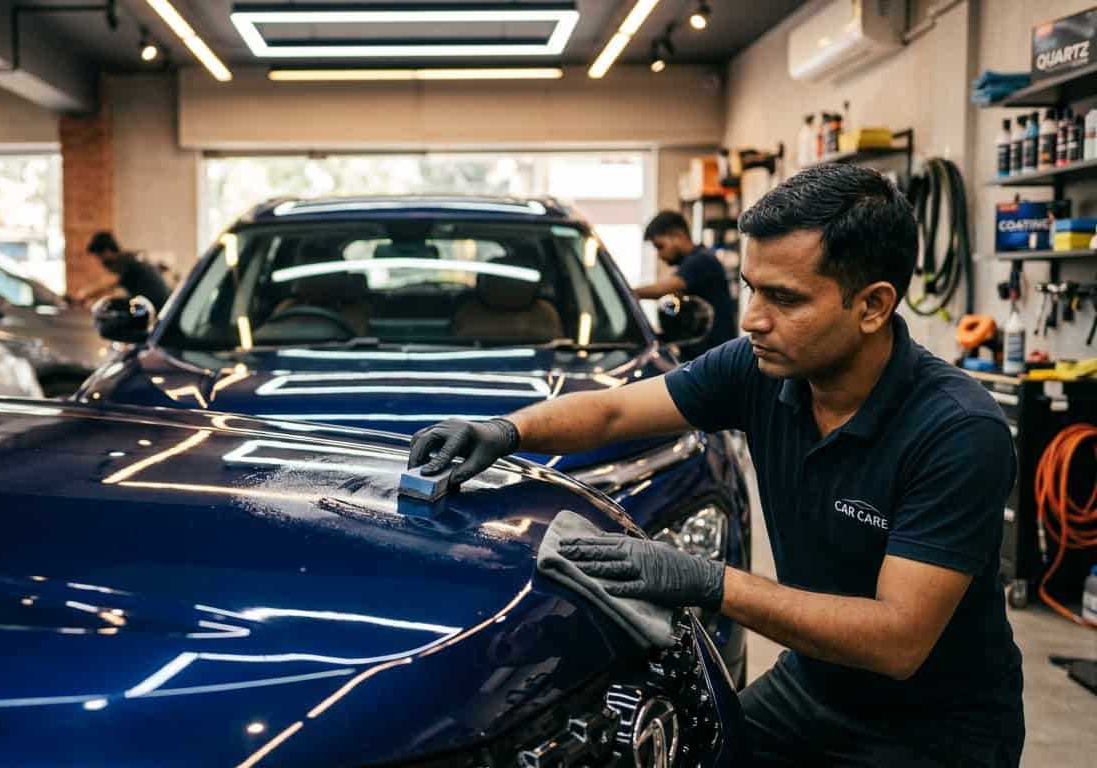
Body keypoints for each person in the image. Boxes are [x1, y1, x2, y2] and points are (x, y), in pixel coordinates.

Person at [408, 164, 1024, 767]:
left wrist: (708, 581)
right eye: (753, 289)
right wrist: (507, 429)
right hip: (811, 689)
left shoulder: (956, 432)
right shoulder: (755, 367)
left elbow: (897, 640)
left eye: (784, 298)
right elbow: (613, 414)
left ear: (872, 306)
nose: (753, 318)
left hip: (934, 728)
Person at [634, 211, 738, 358]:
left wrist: (626, 293)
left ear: (677, 235)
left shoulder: (701, 260)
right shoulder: (693, 261)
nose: (659, 255)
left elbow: (663, 289)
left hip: (714, 355)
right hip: (705, 353)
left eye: (660, 246)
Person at [70, 231, 171, 311]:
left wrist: (81, 296)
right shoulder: (127, 258)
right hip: (158, 304)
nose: (100, 261)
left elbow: (107, 284)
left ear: (107, 250)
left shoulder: (122, 261)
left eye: (99, 256)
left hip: (157, 306)